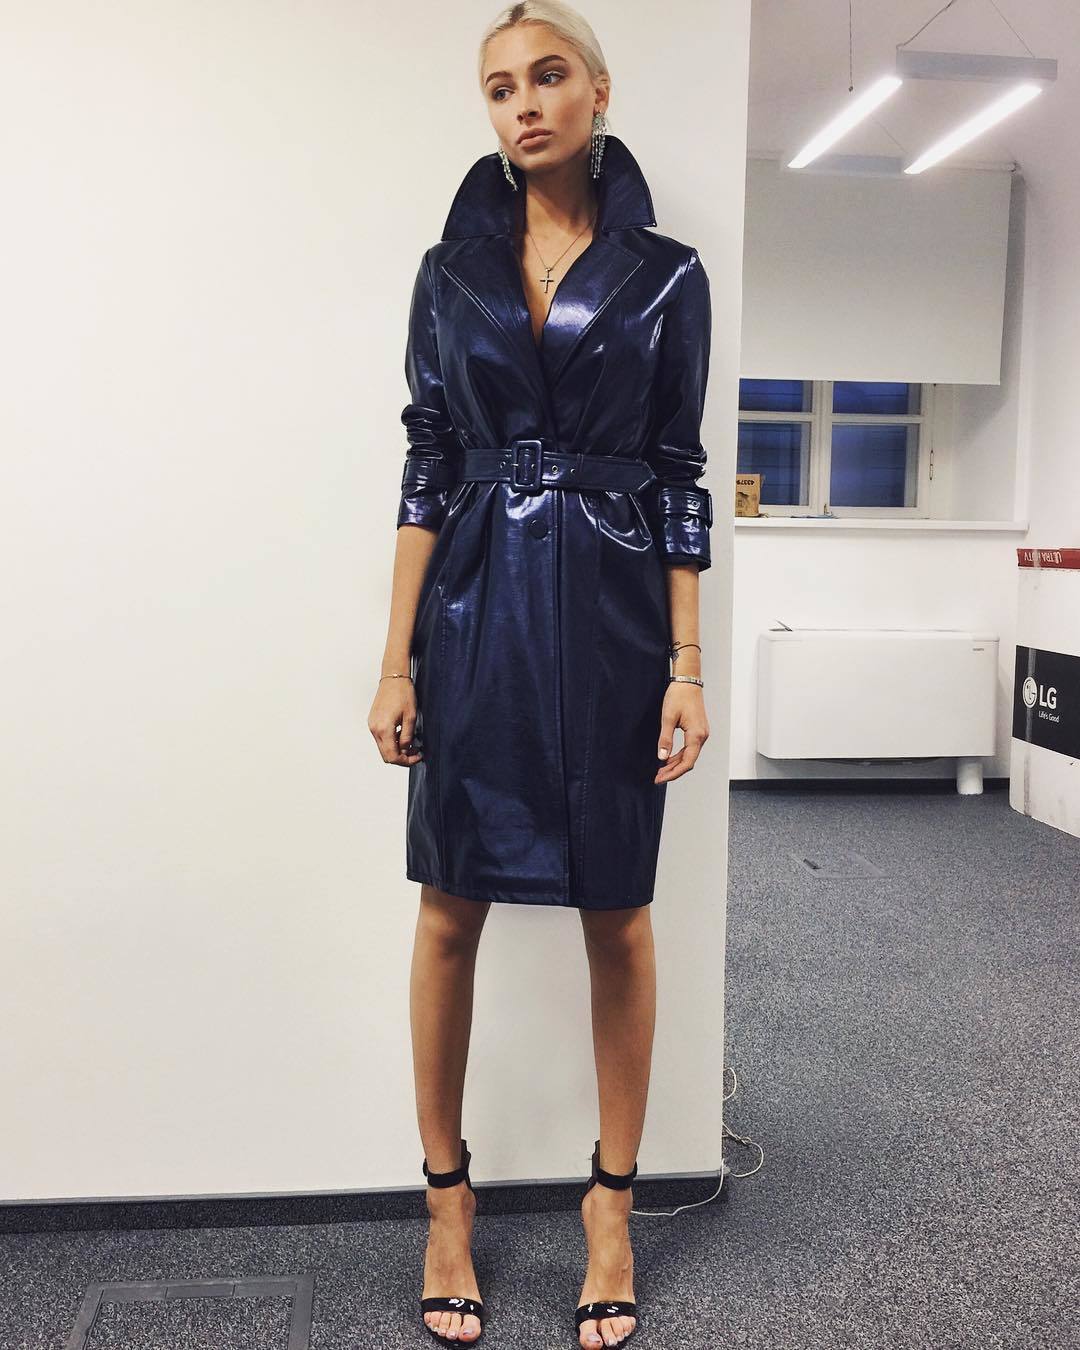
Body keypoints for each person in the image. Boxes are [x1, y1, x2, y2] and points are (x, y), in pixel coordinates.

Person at [368, 3, 714, 1345]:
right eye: (500, 85)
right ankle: (446, 1200)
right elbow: (425, 461)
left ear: (598, 92)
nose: (524, 103)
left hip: (616, 617)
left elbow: (678, 472)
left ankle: (610, 1203)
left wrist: (686, 664)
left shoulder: (667, 275)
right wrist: (395, 659)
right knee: (447, 909)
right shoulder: (447, 273)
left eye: (549, 75)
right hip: (472, 611)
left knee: (617, 912)